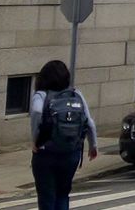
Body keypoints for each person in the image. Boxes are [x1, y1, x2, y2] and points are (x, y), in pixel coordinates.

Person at [31, 59, 98, 210]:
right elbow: (89, 122)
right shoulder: (76, 94)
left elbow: (36, 111)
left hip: (46, 153)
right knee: (63, 194)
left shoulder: (41, 95)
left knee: (47, 196)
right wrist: (93, 145)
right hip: (71, 152)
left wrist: (35, 140)